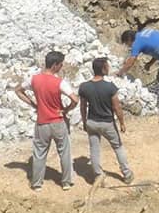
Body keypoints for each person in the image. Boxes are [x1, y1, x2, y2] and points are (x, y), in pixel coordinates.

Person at [14, 50, 78, 191]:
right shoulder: (59, 82)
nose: (61, 67)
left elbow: (18, 90)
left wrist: (33, 104)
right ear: (55, 65)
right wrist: (66, 110)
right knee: (64, 152)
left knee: (39, 153)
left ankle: (37, 183)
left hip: (42, 121)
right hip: (58, 121)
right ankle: (66, 182)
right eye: (61, 65)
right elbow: (75, 99)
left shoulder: (34, 79)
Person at [79, 57, 134, 185]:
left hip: (92, 122)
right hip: (107, 123)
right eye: (107, 66)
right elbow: (117, 107)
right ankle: (127, 174)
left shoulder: (84, 87)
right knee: (118, 147)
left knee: (94, 148)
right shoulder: (110, 87)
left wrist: (84, 121)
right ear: (103, 69)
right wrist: (122, 123)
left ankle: (98, 176)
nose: (109, 68)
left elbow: (83, 107)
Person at [116, 28, 159, 125]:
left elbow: (131, 61)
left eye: (127, 43)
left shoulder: (137, 43)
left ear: (129, 40)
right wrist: (150, 63)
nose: (128, 46)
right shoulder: (144, 34)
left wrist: (120, 72)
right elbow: (157, 46)